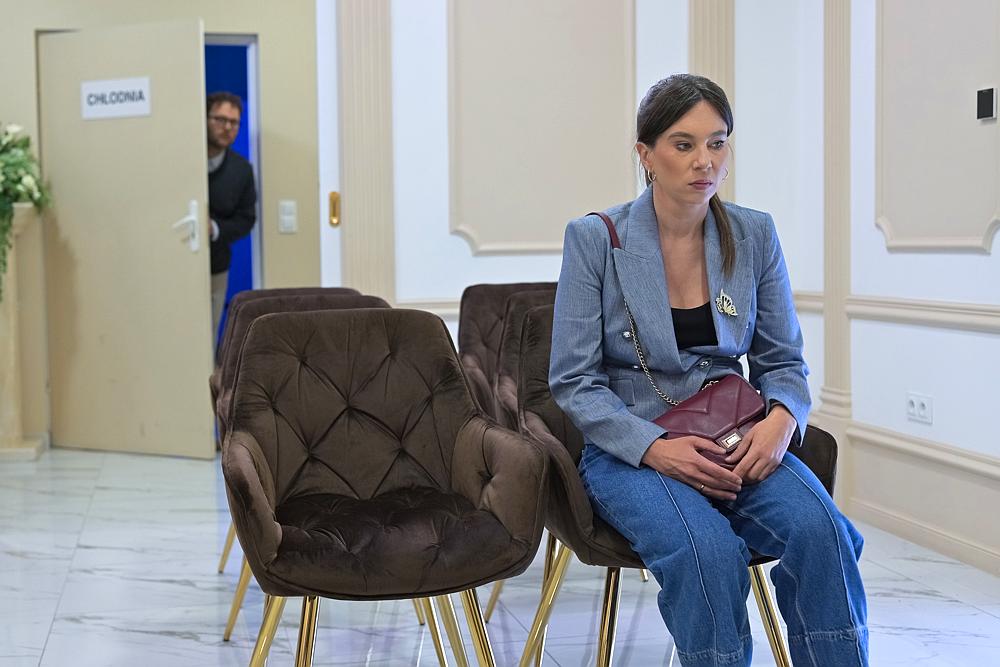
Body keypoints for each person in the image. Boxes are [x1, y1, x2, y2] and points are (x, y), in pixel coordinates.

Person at [549, 74, 869, 666]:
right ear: (646, 154)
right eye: (684, 144)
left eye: (717, 143)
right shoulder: (595, 238)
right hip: (632, 448)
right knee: (708, 556)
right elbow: (574, 380)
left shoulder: (754, 233)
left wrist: (780, 422)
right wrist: (654, 448)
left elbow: (783, 359)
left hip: (736, 436)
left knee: (823, 533)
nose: (705, 161)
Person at [206, 91, 257, 348]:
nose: (227, 127)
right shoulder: (181, 162)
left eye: (234, 122)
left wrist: (215, 229)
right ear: (205, 119)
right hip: (175, 262)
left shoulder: (241, 170)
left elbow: (247, 219)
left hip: (216, 266)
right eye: (220, 119)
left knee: (208, 333)